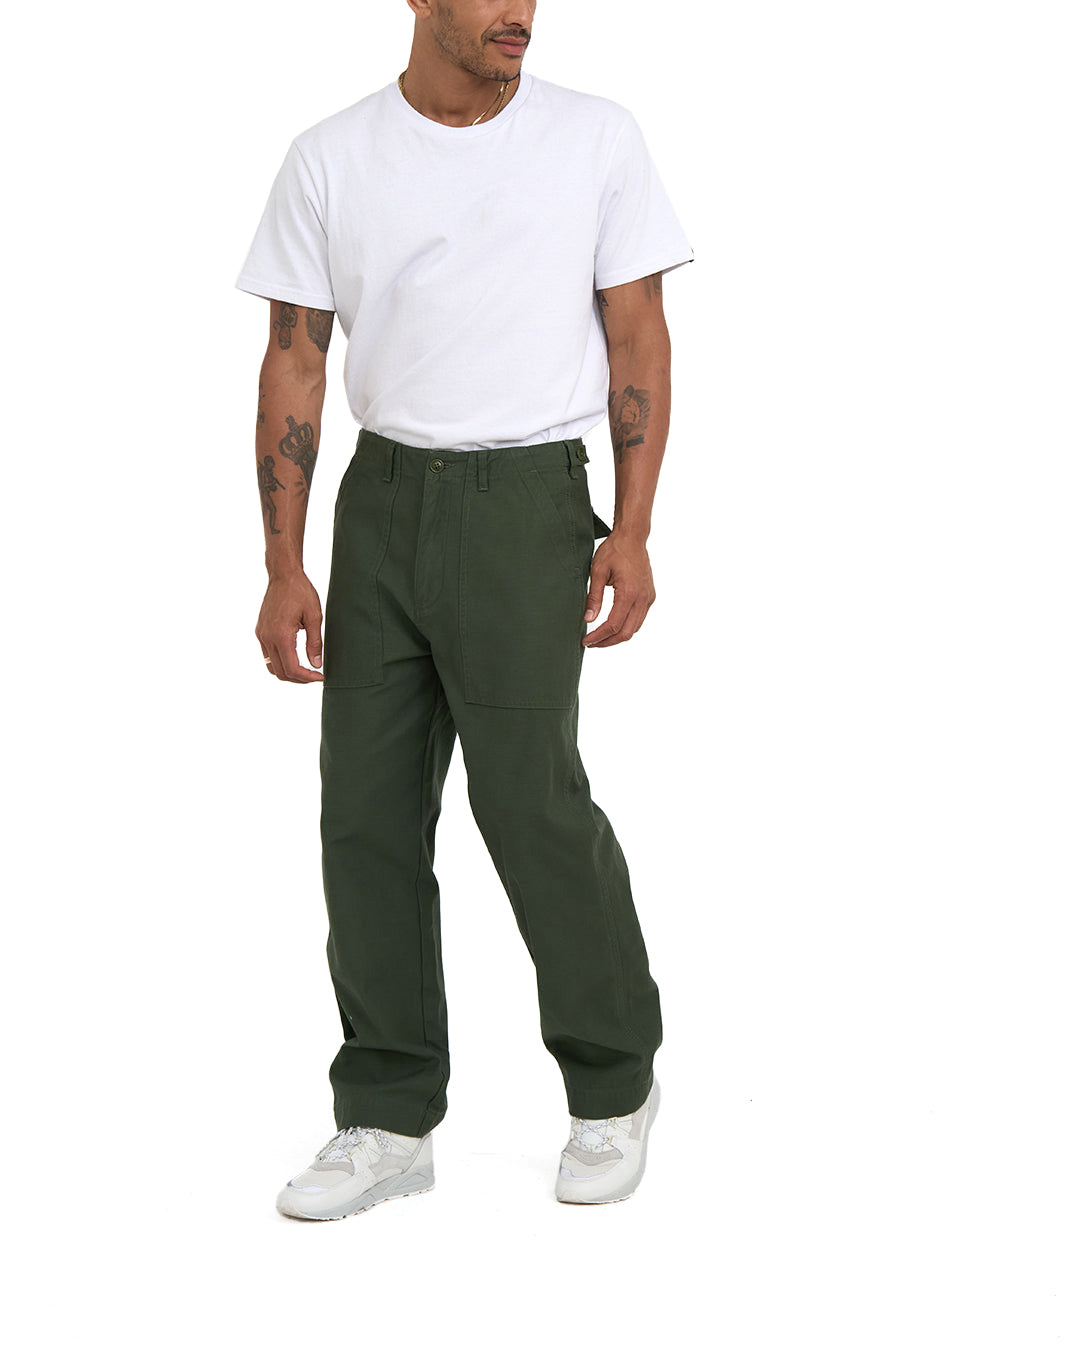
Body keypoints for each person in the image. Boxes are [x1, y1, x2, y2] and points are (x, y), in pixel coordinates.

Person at [236, 0, 693, 1220]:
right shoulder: (332, 157)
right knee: (365, 816)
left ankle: (615, 1082)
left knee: (531, 801)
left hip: (524, 502)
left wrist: (633, 529)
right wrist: (283, 561)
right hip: (381, 498)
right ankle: (388, 1117)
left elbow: (639, 336)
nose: (519, 12)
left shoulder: (595, 138)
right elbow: (295, 357)